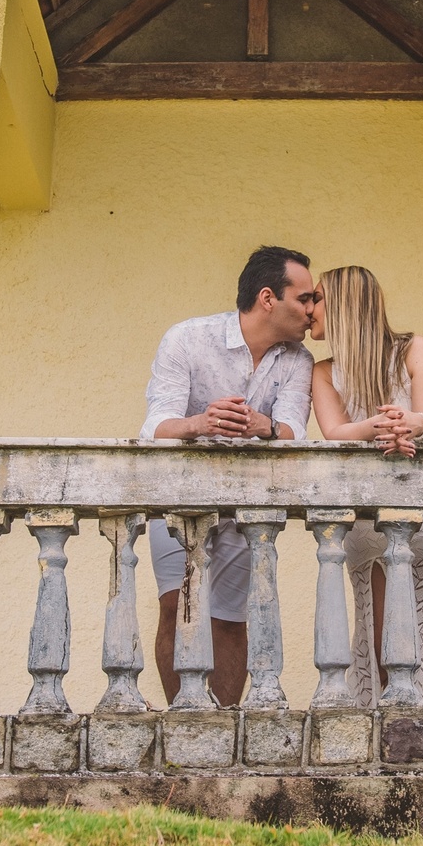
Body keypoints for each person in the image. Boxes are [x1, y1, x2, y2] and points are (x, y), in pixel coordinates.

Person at [140, 246, 316, 706]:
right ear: (267, 298)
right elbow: (155, 428)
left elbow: (294, 431)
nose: (313, 311)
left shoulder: (299, 361)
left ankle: (225, 723)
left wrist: (267, 427)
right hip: (176, 495)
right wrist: (202, 423)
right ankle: (183, 722)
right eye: (306, 299)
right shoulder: (187, 338)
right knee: (174, 607)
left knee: (230, 618)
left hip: (247, 505)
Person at [309, 265, 423, 699]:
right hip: (368, 526)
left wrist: (410, 424)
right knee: (379, 636)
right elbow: (334, 432)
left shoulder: (413, 350)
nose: (308, 308)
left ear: (346, 305)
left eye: (317, 298)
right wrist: (380, 427)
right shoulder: (323, 371)